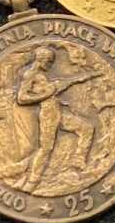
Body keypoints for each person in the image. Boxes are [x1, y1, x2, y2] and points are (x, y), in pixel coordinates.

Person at [14, 47, 97, 192]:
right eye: (50, 61)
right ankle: (32, 181)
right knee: (46, 148)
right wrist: (46, 95)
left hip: (57, 112)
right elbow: (21, 98)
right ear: (42, 60)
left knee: (87, 128)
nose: (51, 65)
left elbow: (69, 82)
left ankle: (79, 160)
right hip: (48, 115)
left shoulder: (43, 76)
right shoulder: (30, 75)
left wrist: (87, 77)